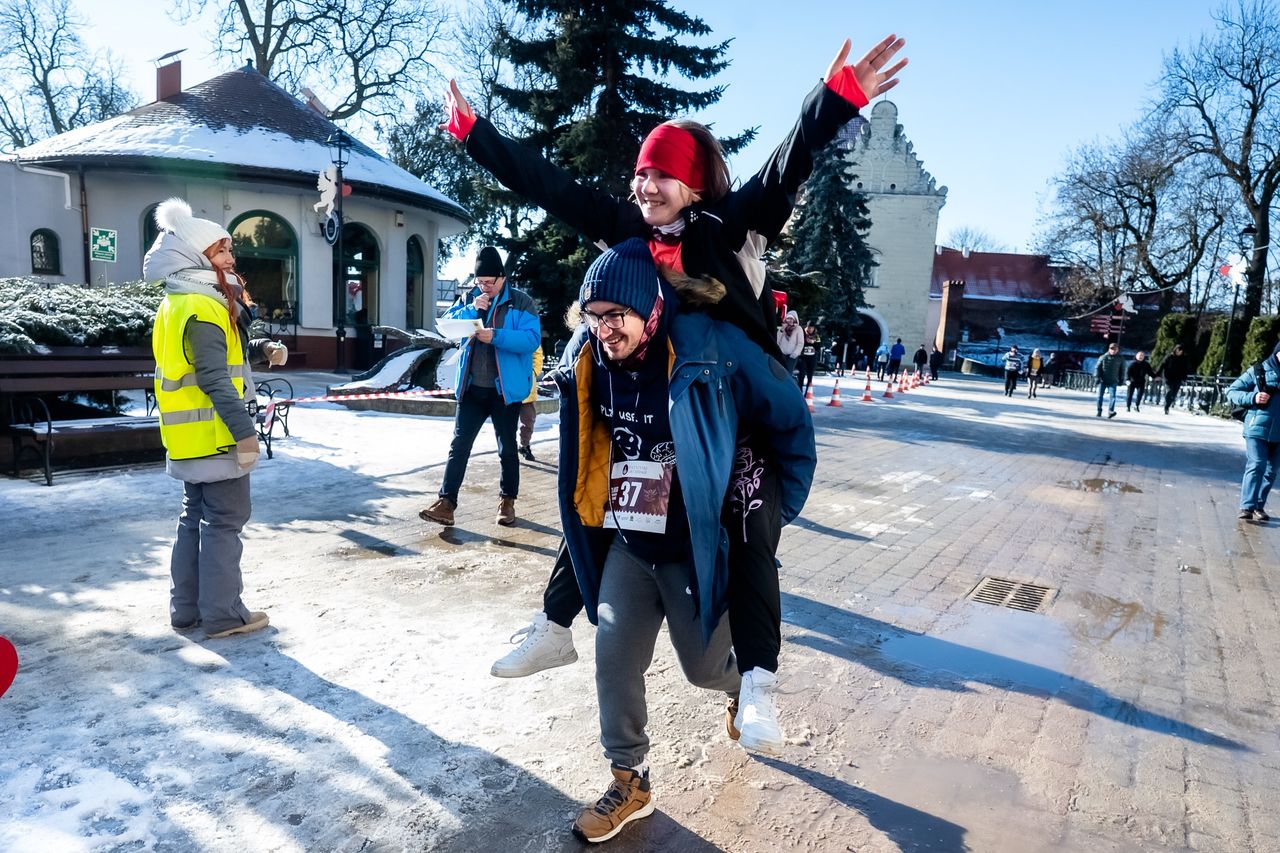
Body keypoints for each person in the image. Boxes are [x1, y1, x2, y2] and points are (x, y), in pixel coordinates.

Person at [460, 34, 906, 741]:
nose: (644, 187)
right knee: (598, 491)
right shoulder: (626, 231)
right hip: (657, 406)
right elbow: (550, 186)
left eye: (660, 175)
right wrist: (475, 134)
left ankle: (756, 680)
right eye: (640, 174)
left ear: (693, 184)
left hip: (735, 408)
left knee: (750, 523)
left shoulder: (731, 227)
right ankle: (553, 625)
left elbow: (786, 167)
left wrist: (836, 100)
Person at [555, 240, 816, 843]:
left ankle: (735, 687)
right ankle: (630, 779)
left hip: (693, 546)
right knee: (614, 656)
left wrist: (778, 509)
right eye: (592, 318)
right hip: (630, 539)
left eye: (614, 316)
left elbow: (788, 416)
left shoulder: (707, 346)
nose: (603, 330)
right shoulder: (592, 358)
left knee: (701, 669)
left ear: (649, 310)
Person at [144, 198, 287, 640]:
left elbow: (214, 361)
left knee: (195, 519)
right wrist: (246, 435)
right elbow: (212, 378)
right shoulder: (203, 306)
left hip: (189, 436)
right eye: (221, 251)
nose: (231, 258)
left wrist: (260, 349)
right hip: (217, 435)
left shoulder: (183, 301)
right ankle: (224, 615)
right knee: (225, 521)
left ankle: (186, 611)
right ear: (194, 257)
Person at [420, 247, 541, 527]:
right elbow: (446, 327)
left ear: (502, 278)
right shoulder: (470, 298)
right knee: (459, 446)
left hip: (504, 391)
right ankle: (446, 503)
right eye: (479, 282)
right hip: (472, 388)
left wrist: (496, 336)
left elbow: (531, 339)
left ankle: (507, 501)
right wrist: (472, 309)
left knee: (507, 449)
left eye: (489, 282)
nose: (484, 287)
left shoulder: (522, 303)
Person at [1226, 341, 1280, 522]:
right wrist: (1253, 397)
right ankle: (1247, 506)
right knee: (1257, 464)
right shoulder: (1260, 370)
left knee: (1271, 471)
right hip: (1256, 427)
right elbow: (1232, 391)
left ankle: (1258, 505)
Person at [519, 344, 544, 461]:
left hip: (527, 388)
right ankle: (508, 449)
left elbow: (537, 354)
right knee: (506, 424)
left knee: (528, 420)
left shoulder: (530, 332)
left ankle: (524, 445)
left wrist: (533, 371)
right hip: (507, 387)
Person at [1157, 343, 1190, 414]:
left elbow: (1185, 369)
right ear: (1175, 350)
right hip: (1168, 377)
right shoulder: (1169, 357)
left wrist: (1184, 378)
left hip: (1178, 378)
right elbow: (1162, 365)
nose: (1179, 352)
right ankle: (1166, 407)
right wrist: (1158, 374)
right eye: (1178, 350)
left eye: (1181, 351)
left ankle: (1168, 403)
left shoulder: (1184, 359)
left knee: (1174, 394)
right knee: (1169, 391)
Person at [1095, 342, 1124, 418]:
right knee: (1100, 396)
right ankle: (1099, 410)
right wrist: (1097, 377)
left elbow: (1122, 370)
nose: (1113, 350)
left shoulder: (1120, 359)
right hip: (1103, 380)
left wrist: (1121, 379)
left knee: (1113, 397)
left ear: (1117, 350)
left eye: (1115, 349)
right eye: (1112, 349)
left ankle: (1110, 411)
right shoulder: (1103, 357)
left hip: (1113, 381)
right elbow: (1097, 368)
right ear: (1109, 349)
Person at [777, 311, 804, 376]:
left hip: (792, 355)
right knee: (780, 372)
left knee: (788, 372)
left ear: (795, 319)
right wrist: (782, 330)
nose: (790, 320)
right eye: (788, 318)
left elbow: (800, 343)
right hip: (782, 354)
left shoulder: (798, 329)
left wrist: (795, 353)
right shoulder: (782, 328)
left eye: (792, 319)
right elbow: (777, 341)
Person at [797, 322, 821, 392]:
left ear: (814, 328)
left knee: (810, 376)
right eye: (809, 327)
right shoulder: (802, 334)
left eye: (812, 328)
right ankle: (799, 391)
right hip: (803, 358)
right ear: (806, 327)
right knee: (801, 375)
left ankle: (808, 392)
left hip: (812, 358)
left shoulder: (816, 336)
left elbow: (819, 347)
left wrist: (813, 342)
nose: (810, 329)